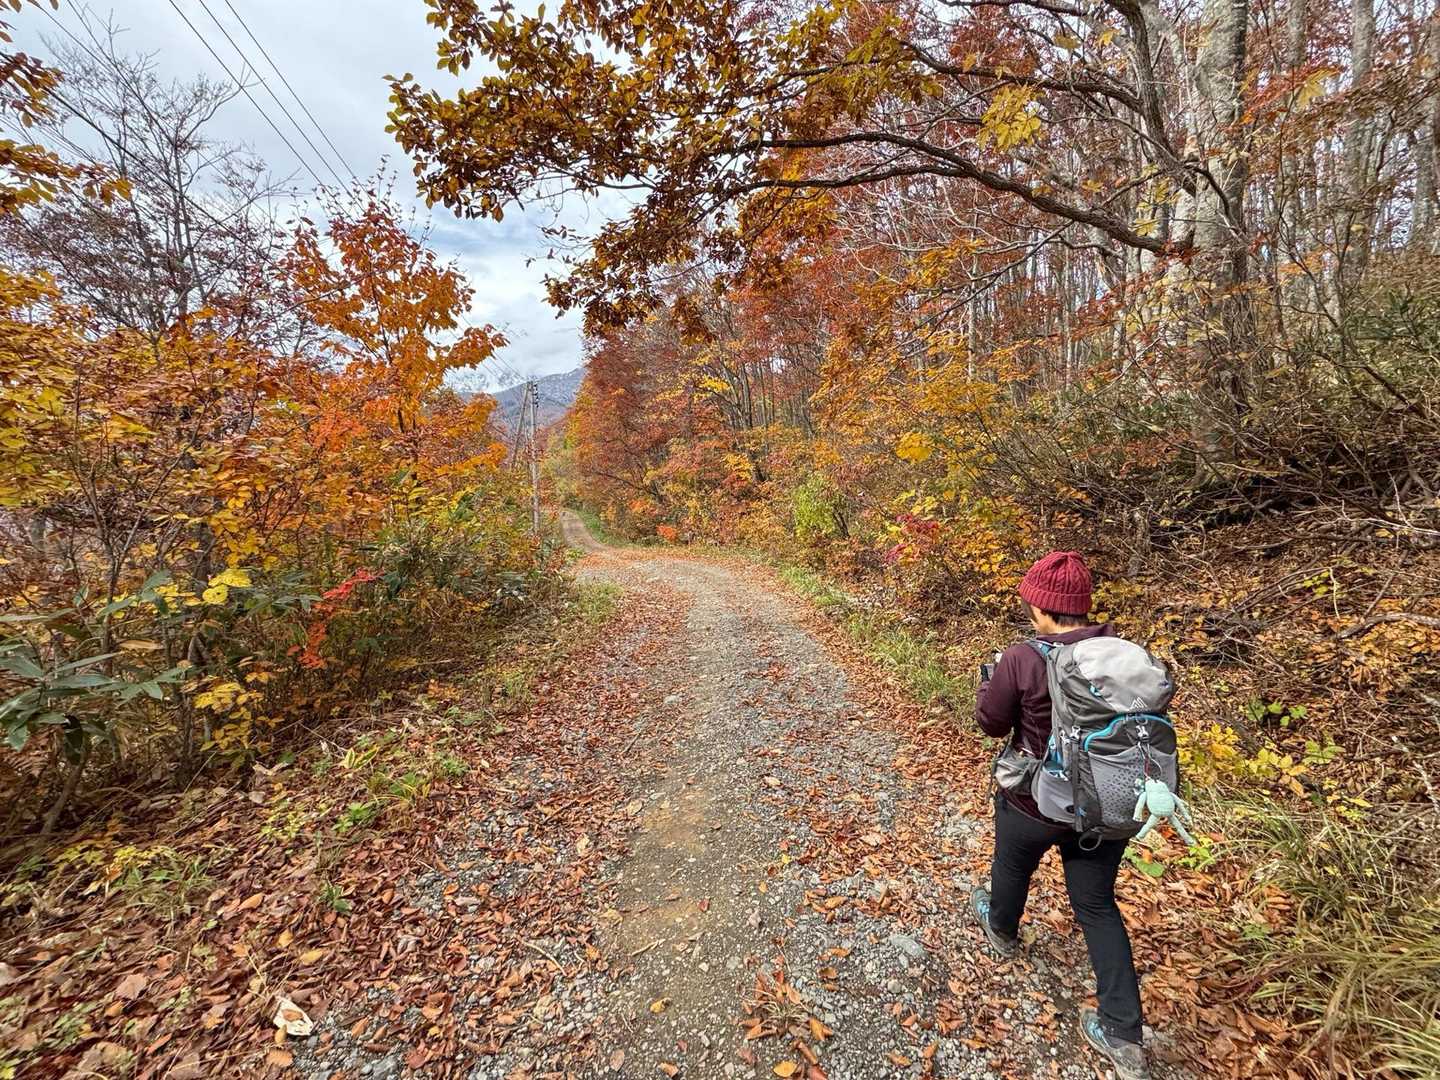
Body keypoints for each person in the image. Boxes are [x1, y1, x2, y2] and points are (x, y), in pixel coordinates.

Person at [968, 550, 1150, 1080]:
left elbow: (990, 722)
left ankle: (1002, 929)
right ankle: (1123, 1035)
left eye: (1031, 604)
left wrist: (989, 683)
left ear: (1042, 609)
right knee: (1096, 905)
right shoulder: (1120, 655)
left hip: (1035, 799)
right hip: (1105, 805)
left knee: (1012, 864)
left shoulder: (1022, 658)